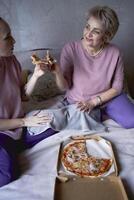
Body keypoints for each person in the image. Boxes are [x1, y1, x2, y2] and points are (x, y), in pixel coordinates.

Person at [49, 6, 134, 128]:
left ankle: (103, 113)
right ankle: (100, 115)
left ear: (107, 36)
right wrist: (57, 73)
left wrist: (94, 102)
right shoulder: (71, 49)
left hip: (108, 98)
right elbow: (64, 87)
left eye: (96, 31)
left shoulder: (115, 52)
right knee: (81, 128)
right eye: (87, 27)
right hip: (81, 101)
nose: (88, 34)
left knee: (132, 120)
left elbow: (117, 87)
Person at [0, 17, 53, 187]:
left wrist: (36, 75)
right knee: (7, 175)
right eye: (7, 37)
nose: (14, 40)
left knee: (56, 123)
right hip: (5, 130)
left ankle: (16, 145)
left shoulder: (11, 60)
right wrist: (24, 122)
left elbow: (22, 95)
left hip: (18, 126)